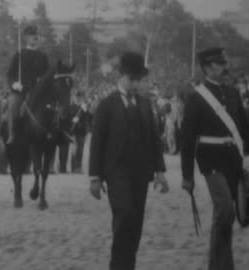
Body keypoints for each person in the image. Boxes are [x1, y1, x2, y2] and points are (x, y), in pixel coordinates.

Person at [180, 47, 249, 270]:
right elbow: (187, 139)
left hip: (233, 160)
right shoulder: (195, 98)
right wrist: (187, 176)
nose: (222, 67)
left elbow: (247, 131)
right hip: (210, 161)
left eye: (222, 63)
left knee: (225, 216)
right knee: (226, 211)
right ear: (206, 68)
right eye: (217, 64)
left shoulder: (232, 93)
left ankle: (222, 264)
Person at [89, 52, 169, 270]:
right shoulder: (107, 105)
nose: (136, 83)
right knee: (124, 216)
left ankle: (127, 265)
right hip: (116, 172)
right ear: (121, 76)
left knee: (136, 224)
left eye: (139, 79)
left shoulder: (145, 104)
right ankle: (117, 265)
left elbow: (154, 139)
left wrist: (160, 172)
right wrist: (94, 177)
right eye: (132, 78)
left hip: (141, 173)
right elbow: (97, 142)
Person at [6, 25, 49, 145]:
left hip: (37, 90)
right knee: (13, 105)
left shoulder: (43, 56)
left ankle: (51, 132)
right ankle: (12, 134)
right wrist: (14, 84)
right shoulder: (19, 54)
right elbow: (9, 74)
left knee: (52, 108)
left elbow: (47, 75)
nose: (35, 38)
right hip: (21, 90)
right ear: (26, 38)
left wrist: (43, 82)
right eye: (32, 36)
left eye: (36, 36)